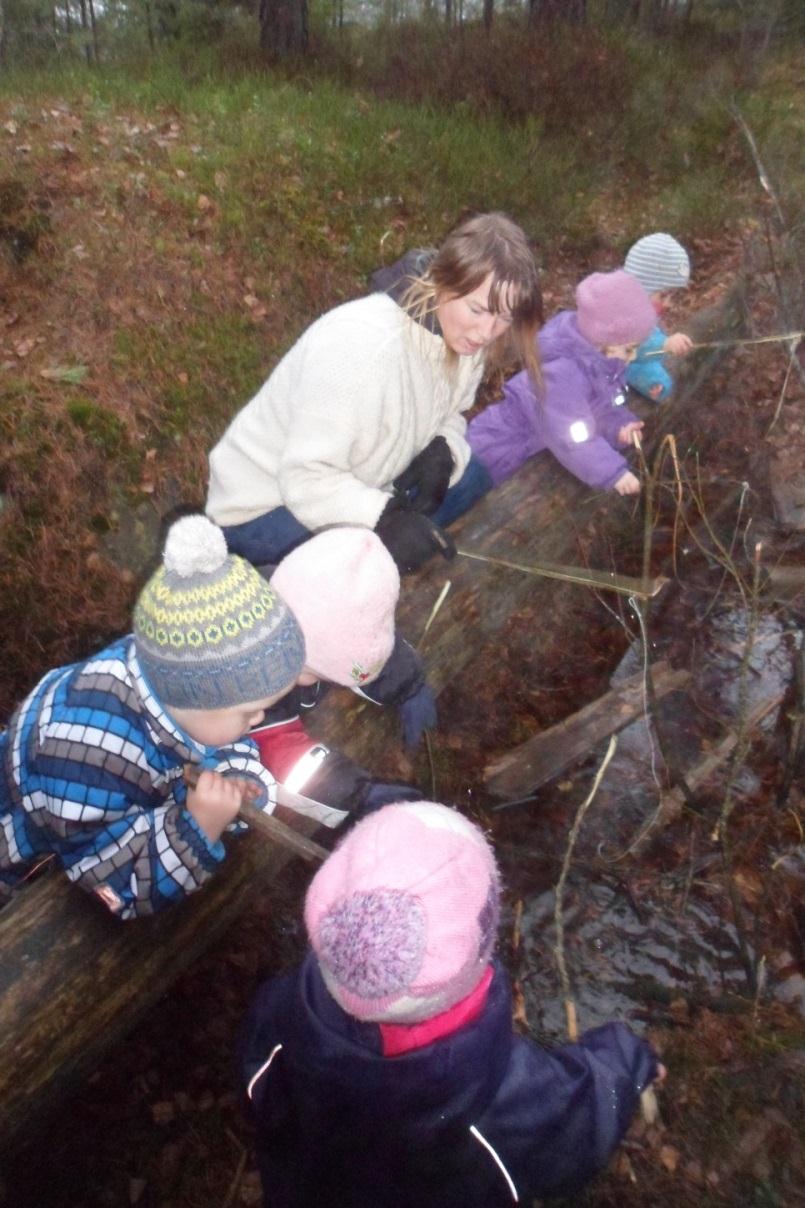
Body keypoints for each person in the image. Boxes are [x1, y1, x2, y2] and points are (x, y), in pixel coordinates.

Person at [240, 801, 663, 1207]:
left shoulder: (281, 1012)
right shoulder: (500, 1101)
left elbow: (253, 1087)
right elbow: (580, 1127)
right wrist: (629, 1060)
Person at [0, 514, 306, 919]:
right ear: (197, 698)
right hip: (20, 843)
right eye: (250, 712)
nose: (259, 719)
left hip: (88, 810)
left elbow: (219, 740)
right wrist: (197, 829)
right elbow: (111, 883)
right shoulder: (90, 758)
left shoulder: (173, 682)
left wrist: (238, 775)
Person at [206, 211, 543, 574]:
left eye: (504, 318)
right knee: (368, 566)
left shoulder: (464, 340)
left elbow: (453, 412)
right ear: (442, 279)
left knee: (472, 476)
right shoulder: (363, 348)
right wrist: (384, 518)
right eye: (477, 309)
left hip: (364, 480)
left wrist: (442, 447)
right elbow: (304, 478)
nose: (487, 331)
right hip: (265, 509)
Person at [251, 526, 434, 823]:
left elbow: (367, 646)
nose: (311, 680)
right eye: (309, 670)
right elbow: (279, 754)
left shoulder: (309, 598)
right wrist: (356, 795)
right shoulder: (246, 681)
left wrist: (409, 685)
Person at [467, 269, 657, 497]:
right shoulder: (561, 374)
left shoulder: (596, 362)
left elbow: (596, 407)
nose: (632, 357)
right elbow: (570, 437)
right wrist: (612, 473)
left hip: (523, 450)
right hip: (492, 452)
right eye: (629, 349)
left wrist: (620, 426)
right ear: (604, 339)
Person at [623, 231, 694, 402]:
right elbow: (630, 345)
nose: (668, 303)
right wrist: (665, 344)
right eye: (663, 296)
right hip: (602, 368)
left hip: (631, 363)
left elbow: (650, 333)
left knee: (660, 383)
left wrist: (663, 343)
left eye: (672, 296)